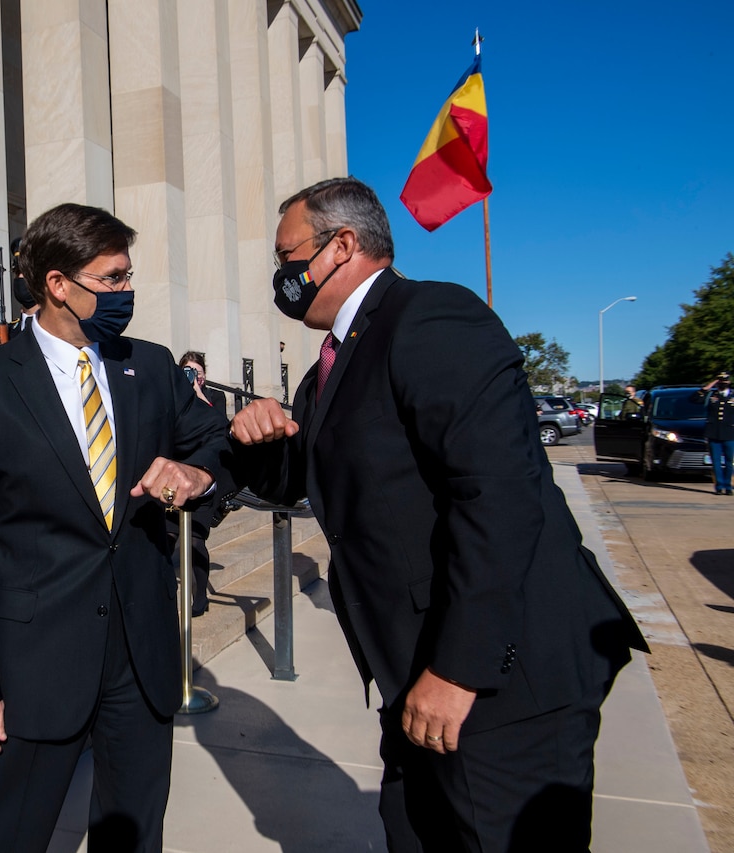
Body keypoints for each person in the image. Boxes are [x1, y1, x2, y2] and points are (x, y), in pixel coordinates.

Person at [226, 177, 648, 851]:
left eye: (287, 256)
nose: (281, 276)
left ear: (343, 245)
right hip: (417, 679)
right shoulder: (329, 365)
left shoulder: (431, 319)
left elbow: (500, 500)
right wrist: (257, 436)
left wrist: (460, 671)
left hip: (503, 683)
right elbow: (300, 480)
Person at [0, 202, 227, 852]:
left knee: (133, 834)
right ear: (58, 285)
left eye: (127, 276)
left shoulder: (149, 367)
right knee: (2, 835)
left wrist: (197, 473)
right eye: (112, 279)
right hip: (36, 666)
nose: (127, 291)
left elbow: (216, 441)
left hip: (140, 657)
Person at [171, 350, 229, 616]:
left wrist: (197, 391)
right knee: (168, 536)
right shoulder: (174, 398)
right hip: (178, 476)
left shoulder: (215, 397)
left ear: (204, 374)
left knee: (194, 541)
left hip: (204, 479)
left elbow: (220, 426)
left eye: (197, 371)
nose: (193, 375)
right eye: (187, 371)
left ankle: (200, 596)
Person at [692, 372, 734, 495]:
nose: (723, 384)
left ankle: (728, 486)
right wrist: (708, 387)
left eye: (725, 381)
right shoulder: (711, 395)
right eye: (720, 381)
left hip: (730, 433)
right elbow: (694, 399)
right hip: (713, 433)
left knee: (729, 461)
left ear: (729, 382)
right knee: (716, 462)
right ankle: (719, 486)